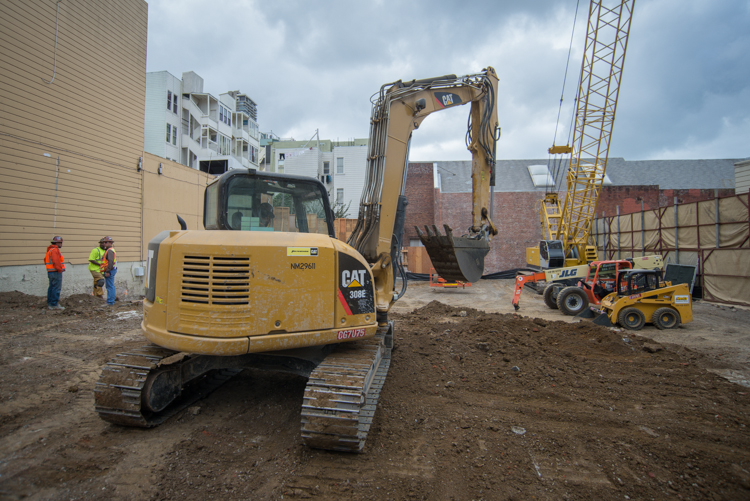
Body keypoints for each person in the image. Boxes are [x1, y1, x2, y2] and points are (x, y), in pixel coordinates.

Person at [44, 236, 65, 310]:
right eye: (60, 243)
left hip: (50, 271)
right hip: (55, 272)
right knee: (56, 288)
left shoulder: (49, 250)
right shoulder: (54, 250)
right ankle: (54, 304)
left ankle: (50, 303)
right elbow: (56, 261)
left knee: (52, 287)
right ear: (57, 242)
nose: (61, 244)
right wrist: (60, 269)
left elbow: (45, 260)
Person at [99, 237, 117, 306]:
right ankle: (110, 301)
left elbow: (111, 262)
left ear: (110, 243)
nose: (104, 244)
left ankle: (110, 302)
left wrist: (107, 271)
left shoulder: (109, 251)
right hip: (110, 270)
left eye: (106, 242)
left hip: (109, 270)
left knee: (110, 286)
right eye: (104, 242)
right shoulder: (109, 250)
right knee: (110, 286)